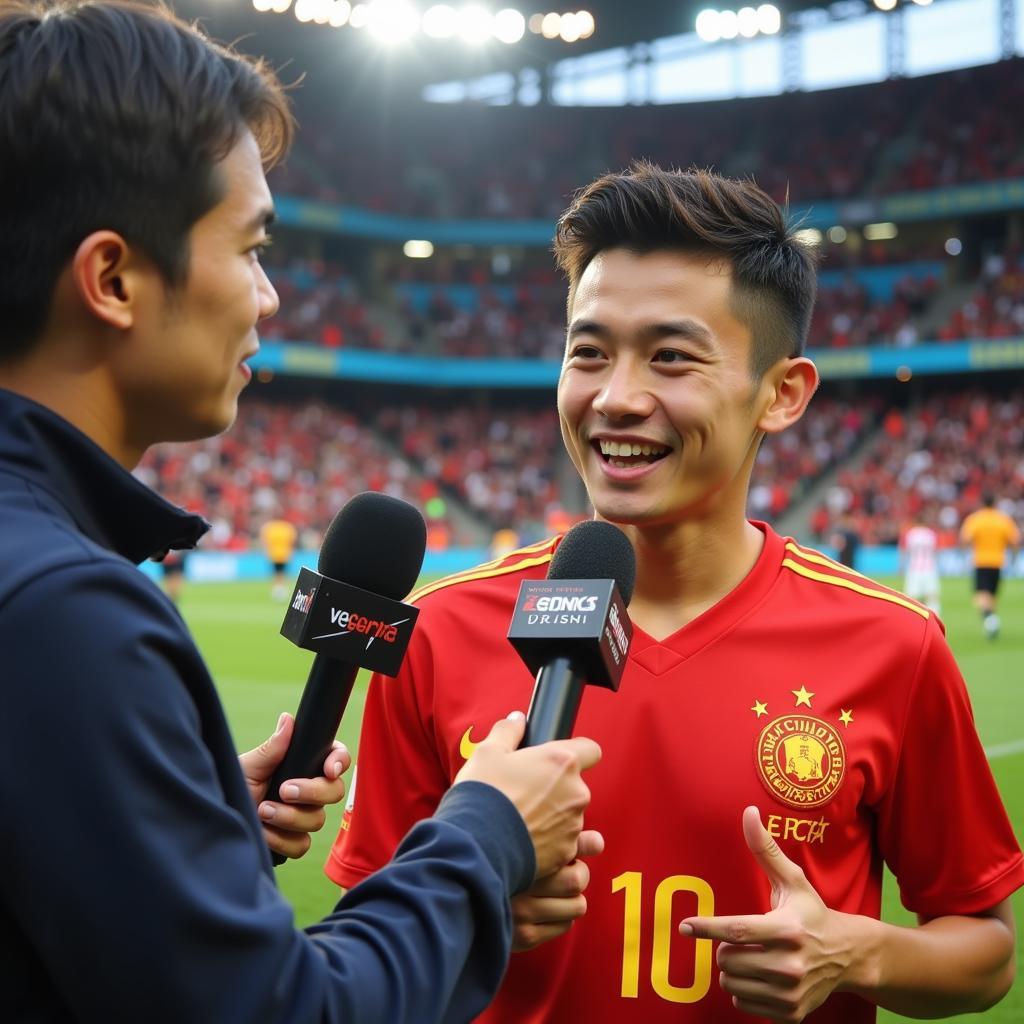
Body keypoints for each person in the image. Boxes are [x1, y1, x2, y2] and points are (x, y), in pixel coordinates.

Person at [0, 4, 601, 1020]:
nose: (270, 298)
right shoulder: (63, 610)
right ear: (111, 278)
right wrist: (487, 832)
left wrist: (186, 823)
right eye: (249, 249)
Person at [329, 163, 1023, 1023]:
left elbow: (984, 949)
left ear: (781, 394)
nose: (616, 399)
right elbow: (367, 934)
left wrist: (856, 952)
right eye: (588, 353)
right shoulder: (440, 630)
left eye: (671, 357)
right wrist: (469, 909)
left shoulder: (894, 645)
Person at [960, 494, 1020, 639]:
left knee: (981, 595)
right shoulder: (1003, 520)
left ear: (982, 503)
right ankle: (991, 620)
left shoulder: (975, 519)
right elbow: (1015, 541)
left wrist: (965, 553)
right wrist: (1013, 557)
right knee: (991, 595)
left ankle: (990, 620)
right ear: (995, 503)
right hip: (998, 562)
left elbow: (965, 539)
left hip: (981, 561)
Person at [900, 510, 942, 615]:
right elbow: (936, 551)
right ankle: (935, 617)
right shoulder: (931, 534)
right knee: (932, 596)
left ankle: (914, 617)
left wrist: (901, 567)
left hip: (915, 568)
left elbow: (904, 551)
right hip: (929, 567)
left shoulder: (910, 534)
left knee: (912, 597)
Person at [260, 514, 298, 599]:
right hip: (284, 554)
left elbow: (265, 541)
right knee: (282, 573)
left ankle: (278, 590)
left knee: (276, 573)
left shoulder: (270, 527)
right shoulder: (287, 527)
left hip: (274, 554)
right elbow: (293, 540)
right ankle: (281, 589)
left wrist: (266, 551)